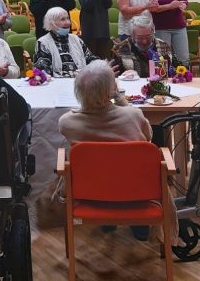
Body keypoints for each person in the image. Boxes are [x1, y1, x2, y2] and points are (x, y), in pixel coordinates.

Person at [58, 60, 152, 240]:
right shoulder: (133, 116)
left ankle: (107, 220)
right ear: (112, 89)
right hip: (135, 191)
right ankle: (140, 224)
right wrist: (120, 99)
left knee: (98, 172)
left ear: (78, 92)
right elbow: (148, 137)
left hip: (92, 193)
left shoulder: (66, 123)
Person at [33, 7, 100, 77]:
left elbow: (90, 58)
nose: (68, 22)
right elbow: (44, 73)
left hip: (81, 81)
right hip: (57, 83)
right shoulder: (43, 43)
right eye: (62, 19)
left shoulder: (76, 39)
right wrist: (76, 74)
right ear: (52, 22)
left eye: (68, 18)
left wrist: (100, 65)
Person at [148, 0, 190, 65]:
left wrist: (183, 5)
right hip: (161, 28)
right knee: (164, 60)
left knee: (184, 58)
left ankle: (184, 74)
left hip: (179, 27)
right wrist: (170, 6)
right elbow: (154, 8)